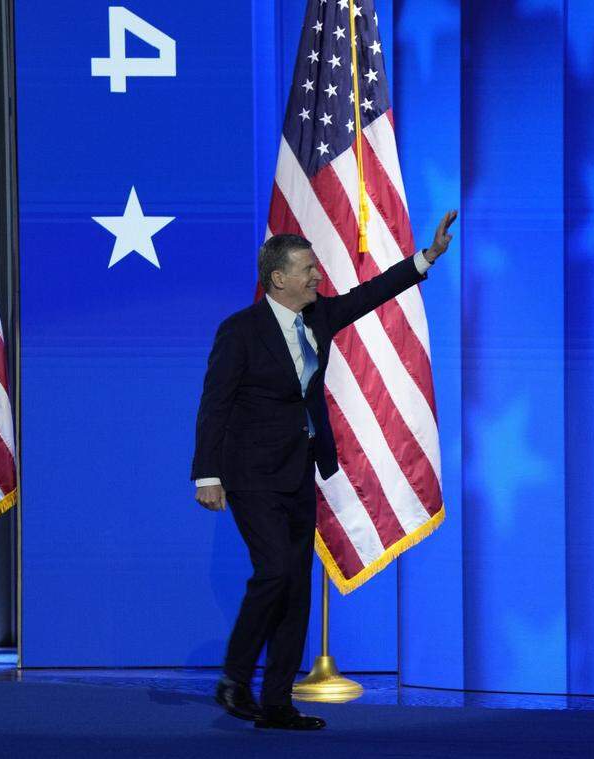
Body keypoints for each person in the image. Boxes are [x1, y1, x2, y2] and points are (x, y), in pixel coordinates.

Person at [191, 210, 457, 730]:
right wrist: (207, 475)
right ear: (278, 279)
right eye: (308, 269)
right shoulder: (240, 332)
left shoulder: (318, 318)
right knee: (274, 572)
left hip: (300, 473)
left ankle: (275, 705)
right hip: (251, 475)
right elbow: (214, 405)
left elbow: (371, 294)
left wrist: (426, 258)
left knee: (296, 588)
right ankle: (235, 678)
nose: (318, 276)